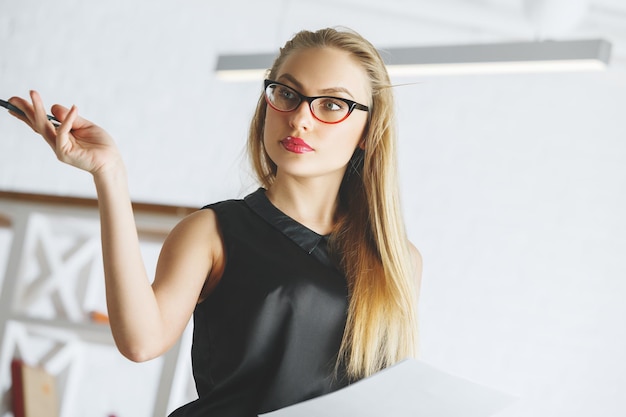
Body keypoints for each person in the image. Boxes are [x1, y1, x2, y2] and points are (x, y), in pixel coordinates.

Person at [7, 27, 422, 416]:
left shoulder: (398, 260)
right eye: (288, 94)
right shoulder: (212, 231)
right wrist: (109, 173)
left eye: (331, 104)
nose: (300, 118)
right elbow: (140, 341)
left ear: (369, 129)